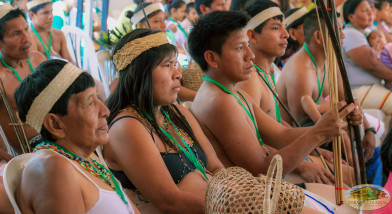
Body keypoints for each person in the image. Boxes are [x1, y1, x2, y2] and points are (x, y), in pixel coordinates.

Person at [188, 10, 360, 212]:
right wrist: (318, 133)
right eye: (240, 48)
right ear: (212, 58)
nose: (250, 55)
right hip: (257, 198)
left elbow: (281, 134)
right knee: (350, 203)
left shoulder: (231, 92)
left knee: (351, 188)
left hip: (267, 183)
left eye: (248, 47)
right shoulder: (218, 101)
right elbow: (260, 169)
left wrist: (333, 123)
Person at [104, 29, 224, 213]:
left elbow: (216, 167)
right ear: (136, 72)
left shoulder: (179, 113)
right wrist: (230, 207)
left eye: (176, 63)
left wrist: (238, 195)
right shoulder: (127, 126)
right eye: (167, 65)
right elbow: (170, 201)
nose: (178, 74)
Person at [13, 59, 139, 213]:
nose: (105, 110)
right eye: (90, 104)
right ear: (55, 125)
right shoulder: (52, 169)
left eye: (97, 98)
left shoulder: (85, 156)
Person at [0, 3, 46, 155]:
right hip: (33, 149)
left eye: (26, 29)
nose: (26, 38)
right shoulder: (1, 79)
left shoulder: (39, 60)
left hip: (59, 134)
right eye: (16, 34)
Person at [342, 0, 392, 115]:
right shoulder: (350, 33)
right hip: (358, 90)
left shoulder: (364, 32)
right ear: (351, 17)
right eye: (365, 11)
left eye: (371, 9)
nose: (370, 14)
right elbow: (372, 65)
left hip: (369, 87)